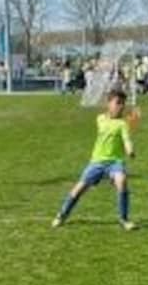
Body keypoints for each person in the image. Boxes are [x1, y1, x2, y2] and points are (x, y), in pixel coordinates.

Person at [53, 89, 136, 231]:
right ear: (109, 103)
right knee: (79, 189)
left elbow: (127, 139)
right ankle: (62, 215)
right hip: (97, 162)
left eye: (123, 103)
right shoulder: (100, 119)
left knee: (122, 181)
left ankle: (124, 219)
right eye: (117, 103)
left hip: (115, 162)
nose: (121, 106)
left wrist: (130, 150)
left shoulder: (122, 124)